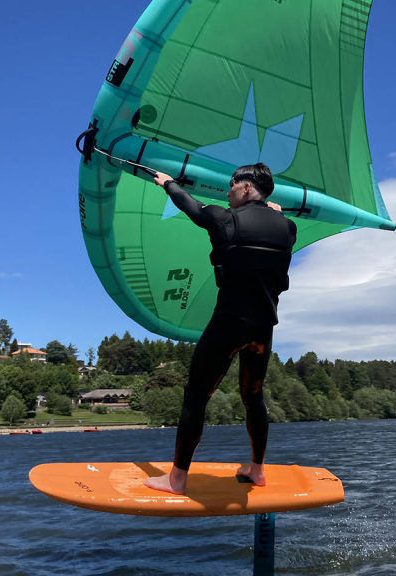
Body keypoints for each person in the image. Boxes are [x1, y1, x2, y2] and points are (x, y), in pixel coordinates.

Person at [144, 163, 297, 495]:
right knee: (252, 396)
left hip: (229, 325)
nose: (227, 193)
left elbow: (192, 207)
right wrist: (275, 213)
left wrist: (168, 183)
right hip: (263, 328)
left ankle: (177, 479)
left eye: (231, 186)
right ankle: (257, 470)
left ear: (244, 188)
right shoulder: (288, 228)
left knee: (196, 396)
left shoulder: (224, 219)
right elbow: (274, 224)